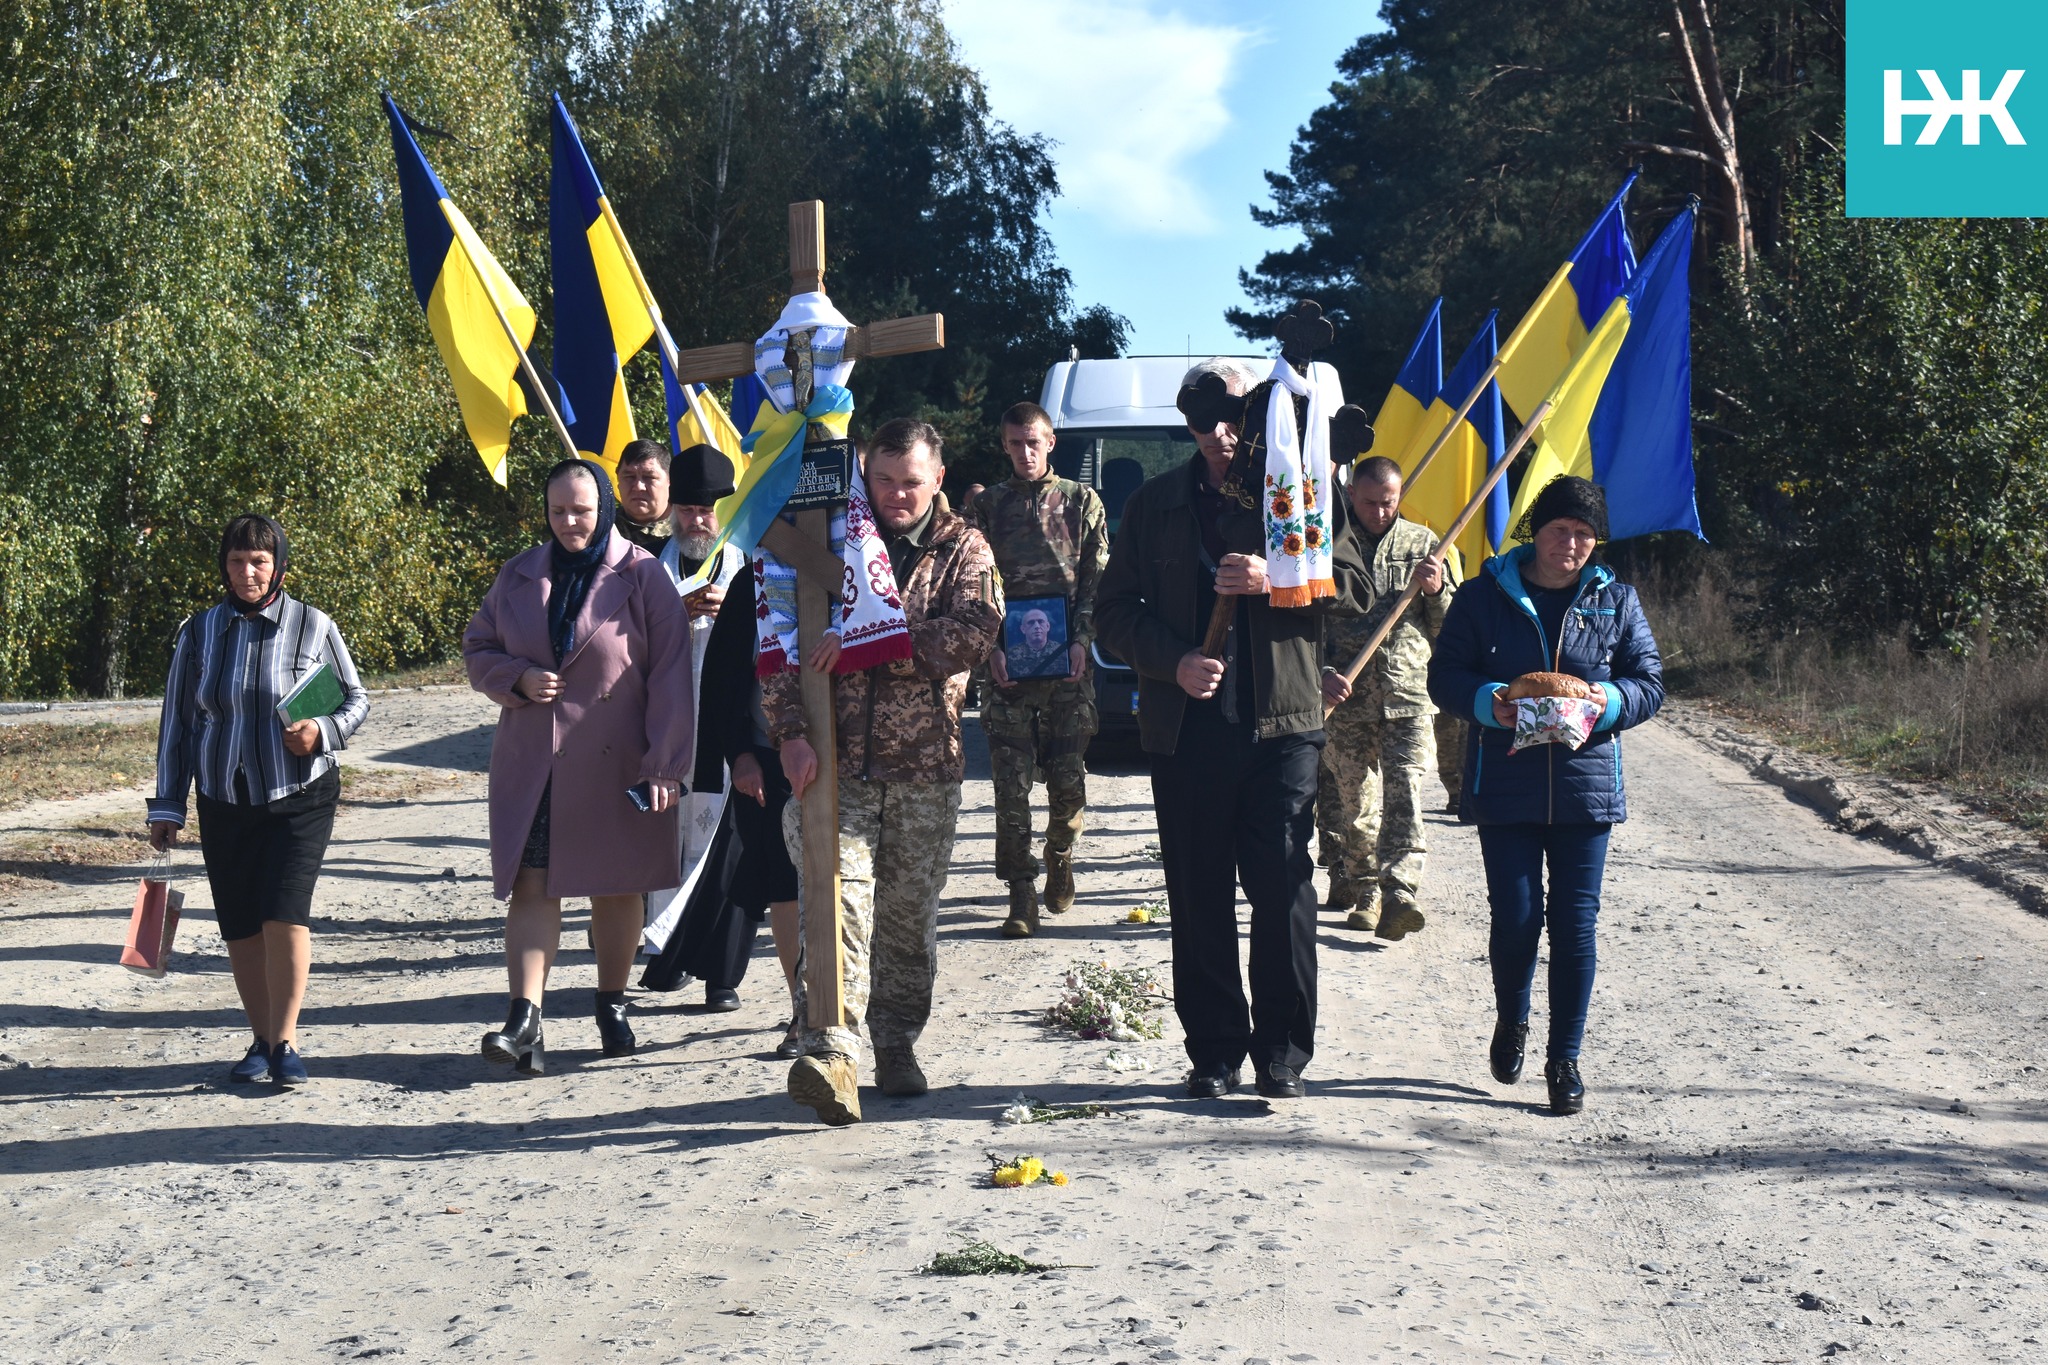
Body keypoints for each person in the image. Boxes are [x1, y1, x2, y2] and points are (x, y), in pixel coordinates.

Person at [1096, 358, 1367, 1102]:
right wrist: (1173, 660)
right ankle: (1215, 1050)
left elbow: (1356, 585)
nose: (1216, 434)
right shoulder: (1154, 505)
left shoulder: (1302, 491)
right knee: (1199, 891)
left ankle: (1282, 1049)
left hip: (1283, 729)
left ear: (1257, 416)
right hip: (1186, 731)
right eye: (1199, 419)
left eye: (1232, 417)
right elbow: (1112, 612)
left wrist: (1279, 574)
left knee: (1282, 887)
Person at [771, 417, 1002, 1123]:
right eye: (885, 480)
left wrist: (875, 640)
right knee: (834, 904)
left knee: (906, 921)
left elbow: (974, 630)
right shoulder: (827, 542)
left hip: (924, 771)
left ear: (937, 477)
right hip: (838, 769)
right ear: (865, 473)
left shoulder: (964, 546)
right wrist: (788, 732)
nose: (898, 494)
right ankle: (833, 1053)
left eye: (912, 481)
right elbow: (781, 636)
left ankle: (896, 1043)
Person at [1426, 475, 1663, 1116]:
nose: (1573, 545)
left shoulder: (1617, 601)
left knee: (1575, 925)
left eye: (1586, 536)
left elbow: (1650, 682)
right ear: (1537, 532)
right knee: (1518, 917)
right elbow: (1444, 675)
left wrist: (1607, 700)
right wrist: (1487, 703)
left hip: (1586, 792)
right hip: (1504, 783)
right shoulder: (1481, 597)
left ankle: (1566, 1060)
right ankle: (1513, 1020)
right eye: (1561, 531)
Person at [462, 458, 694, 1075]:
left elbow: (672, 674)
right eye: (559, 511)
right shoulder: (517, 574)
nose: (570, 522)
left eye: (582, 511)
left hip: (620, 761)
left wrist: (666, 765)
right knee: (531, 884)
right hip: (534, 762)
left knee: (616, 885)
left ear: (605, 509)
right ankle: (524, 1017)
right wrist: (515, 677)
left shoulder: (644, 575)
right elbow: (478, 646)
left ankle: (611, 1003)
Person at [147, 514, 370, 1087]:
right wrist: (168, 806)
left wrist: (322, 731)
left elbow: (356, 700)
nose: (248, 573)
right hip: (224, 798)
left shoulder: (312, 625)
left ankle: (287, 1042)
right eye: (237, 562)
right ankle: (261, 1039)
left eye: (260, 562)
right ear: (224, 568)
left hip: (298, 795)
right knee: (241, 924)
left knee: (284, 911)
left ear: (279, 567)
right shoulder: (198, 632)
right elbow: (178, 723)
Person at [965, 401, 1108, 938]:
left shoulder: (1080, 500)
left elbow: (1098, 577)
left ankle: (1060, 854)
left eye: (1034, 443)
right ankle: (1020, 892)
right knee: (1010, 789)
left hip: (1068, 669)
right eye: (1015, 443)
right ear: (1004, 445)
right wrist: (990, 647)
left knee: (1068, 784)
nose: (1025, 453)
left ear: (1050, 443)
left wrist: (1082, 639)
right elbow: (975, 582)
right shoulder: (988, 508)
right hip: (1008, 672)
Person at [1316, 456, 1457, 940]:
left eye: (1389, 502)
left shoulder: (1425, 546)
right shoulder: (1327, 543)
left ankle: (1401, 892)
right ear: (1351, 493)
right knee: (1358, 803)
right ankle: (1366, 887)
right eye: (1370, 502)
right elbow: (1303, 626)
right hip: (1346, 700)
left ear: (1401, 497)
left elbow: (1449, 630)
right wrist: (1322, 674)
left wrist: (1436, 592)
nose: (1379, 511)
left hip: (1408, 696)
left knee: (1408, 798)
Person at [643, 442, 754, 1010]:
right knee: (671, 843)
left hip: (731, 728)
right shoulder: (647, 571)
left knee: (729, 846)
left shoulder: (748, 563)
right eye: (687, 509)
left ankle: (723, 976)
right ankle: (669, 956)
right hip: (669, 733)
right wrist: (672, 616)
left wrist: (735, 608)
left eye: (709, 509)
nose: (698, 521)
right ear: (672, 511)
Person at [614, 438, 675, 555]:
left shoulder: (687, 529)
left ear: (669, 480)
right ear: (618, 481)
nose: (638, 486)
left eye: (649, 477)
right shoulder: (602, 531)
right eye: (629, 477)